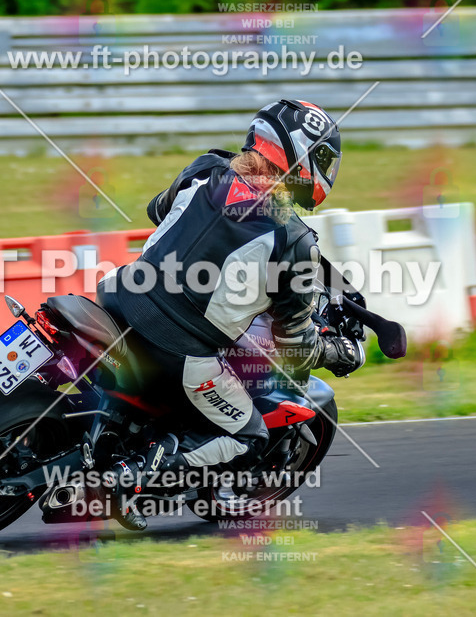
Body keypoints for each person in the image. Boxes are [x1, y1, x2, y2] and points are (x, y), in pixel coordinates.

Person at [96, 99, 361, 528]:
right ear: (301, 156)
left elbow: (158, 212)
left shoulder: (205, 168)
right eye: (323, 159)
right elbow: (294, 348)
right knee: (249, 434)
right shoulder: (294, 242)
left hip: (114, 299)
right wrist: (339, 351)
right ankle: (135, 474)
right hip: (178, 350)